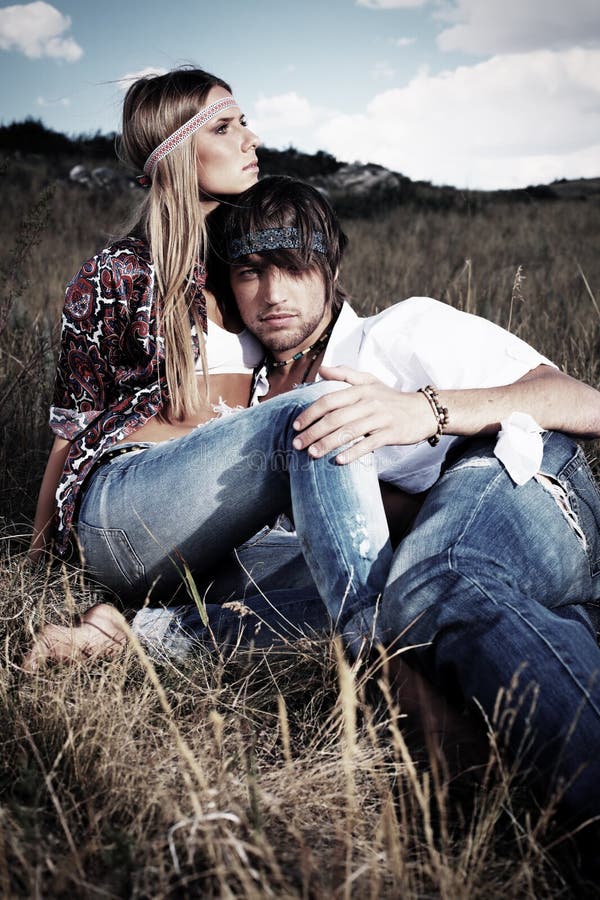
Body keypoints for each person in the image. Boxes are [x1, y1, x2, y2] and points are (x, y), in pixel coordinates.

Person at [209, 174, 600, 835]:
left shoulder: (400, 332)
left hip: (528, 482)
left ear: (330, 264)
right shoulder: (245, 396)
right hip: (445, 567)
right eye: (250, 272)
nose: (273, 294)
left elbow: (580, 400)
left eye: (294, 265)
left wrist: (424, 411)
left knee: (436, 578)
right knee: (326, 601)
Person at [24, 69, 394, 669]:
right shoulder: (115, 275)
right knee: (304, 417)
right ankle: (389, 661)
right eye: (225, 127)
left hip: (223, 526)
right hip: (125, 513)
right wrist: (38, 571)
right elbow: (69, 434)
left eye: (244, 121)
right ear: (174, 155)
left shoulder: (239, 268)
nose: (250, 139)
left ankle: (132, 637)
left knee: (378, 575)